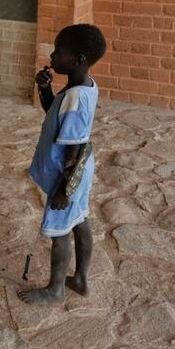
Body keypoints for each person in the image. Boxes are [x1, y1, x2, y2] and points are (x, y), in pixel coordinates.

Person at [19, 23, 107, 304]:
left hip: (67, 175)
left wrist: (64, 190)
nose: (52, 56)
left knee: (60, 232)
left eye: (59, 52)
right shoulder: (85, 87)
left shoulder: (75, 97)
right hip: (80, 172)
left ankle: (55, 290)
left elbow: (75, 146)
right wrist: (45, 89)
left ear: (78, 59)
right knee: (80, 220)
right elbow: (55, 116)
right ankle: (80, 279)